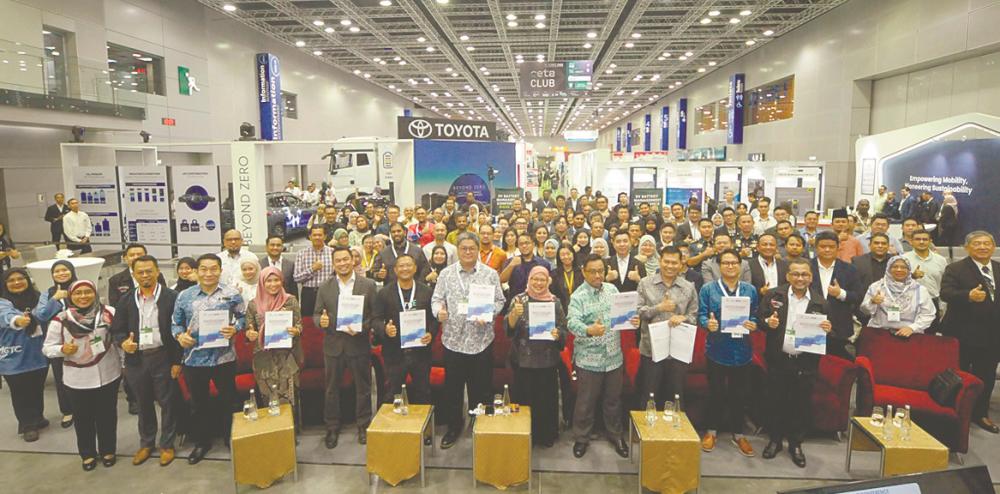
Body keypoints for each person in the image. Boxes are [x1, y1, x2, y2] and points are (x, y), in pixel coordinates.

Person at [431, 232, 505, 449]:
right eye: (463, 248)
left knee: (481, 388)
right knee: (453, 389)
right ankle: (454, 427)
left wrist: (489, 313)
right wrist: (439, 312)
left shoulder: (490, 274)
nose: (468, 252)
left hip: (480, 340)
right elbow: (436, 299)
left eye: (472, 248)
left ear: (477, 249)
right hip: (453, 340)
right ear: (458, 250)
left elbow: (500, 300)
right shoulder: (446, 274)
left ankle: (479, 425)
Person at [170, 253, 245, 464]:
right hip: (195, 360)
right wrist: (180, 336)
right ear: (197, 271)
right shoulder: (185, 296)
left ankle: (231, 439)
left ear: (220, 270)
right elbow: (175, 323)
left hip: (224, 358)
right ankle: (202, 442)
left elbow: (242, 317)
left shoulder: (232, 294)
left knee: (228, 401)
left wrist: (235, 328)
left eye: (213, 269)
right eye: (204, 269)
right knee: (199, 404)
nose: (209, 273)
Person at [759, 257, 831, 468]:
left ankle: (795, 444)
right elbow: (759, 318)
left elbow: (832, 332)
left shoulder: (820, 301)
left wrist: (828, 329)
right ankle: (774, 440)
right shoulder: (774, 295)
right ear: (788, 276)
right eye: (796, 274)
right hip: (778, 359)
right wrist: (767, 322)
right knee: (775, 401)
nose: (800, 278)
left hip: (805, 363)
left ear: (810, 277)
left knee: (800, 405)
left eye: (805, 275)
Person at [109, 255, 181, 467]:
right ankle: (147, 443)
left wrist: (177, 361)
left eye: (149, 270)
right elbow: (117, 329)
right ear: (134, 274)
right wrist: (123, 343)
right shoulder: (127, 299)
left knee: (168, 402)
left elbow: (179, 330)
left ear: (157, 271)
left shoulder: (172, 297)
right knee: (143, 403)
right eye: (140, 272)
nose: (145, 275)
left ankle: (167, 444)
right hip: (137, 359)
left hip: (163, 356)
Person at [42, 280, 120, 471]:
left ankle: (108, 450)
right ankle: (87, 454)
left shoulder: (109, 313)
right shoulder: (60, 319)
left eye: (87, 292)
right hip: (76, 379)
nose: (83, 296)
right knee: (83, 418)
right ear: (70, 296)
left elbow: (120, 338)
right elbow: (47, 348)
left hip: (107, 373)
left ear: (95, 293)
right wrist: (62, 349)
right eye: (78, 293)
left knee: (107, 415)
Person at [567, 254, 634, 459]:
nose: (597, 275)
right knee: (586, 401)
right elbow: (571, 323)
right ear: (584, 272)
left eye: (600, 271)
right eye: (593, 271)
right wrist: (589, 330)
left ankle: (616, 435)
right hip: (589, 359)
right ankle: (581, 438)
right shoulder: (578, 297)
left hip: (614, 357)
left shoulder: (612, 290)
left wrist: (633, 319)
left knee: (613, 400)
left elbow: (623, 316)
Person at [698, 249, 759, 457]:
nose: (730, 266)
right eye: (726, 263)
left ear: (740, 265)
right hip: (716, 348)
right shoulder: (708, 289)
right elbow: (701, 315)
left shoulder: (750, 290)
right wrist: (708, 323)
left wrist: (753, 324)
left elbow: (755, 315)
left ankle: (739, 434)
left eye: (734, 263)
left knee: (739, 395)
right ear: (719, 266)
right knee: (715, 393)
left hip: (742, 350)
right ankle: (711, 431)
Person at [314, 246, 377, 448]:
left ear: (353, 260)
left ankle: (363, 425)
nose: (342, 263)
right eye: (338, 260)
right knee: (331, 390)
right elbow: (316, 314)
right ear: (333, 264)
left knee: (363, 389)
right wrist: (320, 321)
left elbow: (375, 317)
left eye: (345, 259)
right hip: (333, 345)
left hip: (358, 344)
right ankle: (332, 427)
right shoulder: (324, 287)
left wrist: (362, 328)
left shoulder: (368, 285)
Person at [941, 231, 1000, 433]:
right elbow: (945, 294)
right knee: (960, 374)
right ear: (967, 247)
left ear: (993, 247)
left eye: (987, 243)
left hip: (992, 336)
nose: (983, 247)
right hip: (962, 333)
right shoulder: (955, 268)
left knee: (986, 376)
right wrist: (968, 296)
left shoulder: (998, 268)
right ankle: (956, 412)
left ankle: (980, 414)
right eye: (977, 244)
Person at [506, 266, 566, 447]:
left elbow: (564, 327)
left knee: (545, 401)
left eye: (542, 280)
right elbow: (508, 330)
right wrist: (513, 317)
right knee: (524, 400)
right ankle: (523, 434)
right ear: (529, 280)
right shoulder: (519, 300)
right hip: (523, 360)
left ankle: (545, 435)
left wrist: (558, 334)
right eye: (535, 279)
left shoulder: (554, 302)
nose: (538, 283)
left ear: (548, 281)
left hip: (547, 360)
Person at [636, 246, 698, 408]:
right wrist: (659, 308)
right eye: (666, 262)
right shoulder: (645, 283)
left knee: (675, 397)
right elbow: (638, 313)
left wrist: (683, 318)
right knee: (649, 396)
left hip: (678, 352)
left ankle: (674, 433)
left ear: (681, 263)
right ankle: (648, 432)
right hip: (651, 351)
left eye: (674, 263)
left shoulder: (688, 287)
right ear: (660, 261)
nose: (670, 266)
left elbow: (694, 316)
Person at [373, 255, 436, 406]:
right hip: (394, 352)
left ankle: (422, 428)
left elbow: (434, 319)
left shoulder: (427, 292)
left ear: (415, 268)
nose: (405, 269)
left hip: (420, 352)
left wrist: (431, 333)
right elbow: (375, 319)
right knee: (392, 394)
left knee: (423, 393)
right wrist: (385, 329)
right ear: (395, 270)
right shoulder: (384, 293)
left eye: (409, 265)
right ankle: (393, 428)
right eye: (401, 266)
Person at [244, 266, 302, 418]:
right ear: (262, 282)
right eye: (268, 280)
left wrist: (296, 331)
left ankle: (290, 432)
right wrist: (250, 334)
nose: (273, 284)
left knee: (289, 396)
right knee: (267, 397)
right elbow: (248, 329)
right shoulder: (253, 304)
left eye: (276, 280)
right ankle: (273, 433)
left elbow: (299, 325)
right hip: (263, 358)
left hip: (287, 357)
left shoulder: (290, 300)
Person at [0, 268, 49, 442]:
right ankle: (27, 425)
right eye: (11, 280)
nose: (17, 282)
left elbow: (45, 314)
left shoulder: (37, 297)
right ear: (5, 284)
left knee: (36, 388)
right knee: (20, 391)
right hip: (13, 356)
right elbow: (6, 316)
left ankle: (38, 417)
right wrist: (18, 320)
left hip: (38, 353)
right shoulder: (2, 302)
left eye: (21, 278)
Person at [35, 260, 76, 428]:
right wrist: (55, 299)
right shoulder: (48, 293)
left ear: (71, 271)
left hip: (82, 337)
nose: (61, 273)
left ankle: (84, 406)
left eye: (64, 270)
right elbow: (41, 315)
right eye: (57, 271)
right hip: (58, 341)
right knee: (61, 376)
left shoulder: (81, 286)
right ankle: (67, 410)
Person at [810, 231, 862, 361]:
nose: (827, 249)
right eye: (823, 246)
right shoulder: (806, 267)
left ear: (838, 247)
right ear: (816, 247)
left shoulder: (850, 269)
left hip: (838, 327)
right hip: (809, 324)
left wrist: (841, 294)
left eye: (831, 246)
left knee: (836, 368)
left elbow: (858, 296)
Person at [860, 256, 936, 337]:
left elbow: (928, 314)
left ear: (909, 270)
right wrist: (872, 302)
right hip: (879, 334)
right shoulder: (876, 287)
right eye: (895, 267)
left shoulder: (920, 290)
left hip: (910, 335)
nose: (899, 270)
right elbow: (865, 311)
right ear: (888, 269)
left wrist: (912, 328)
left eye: (903, 267)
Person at [903, 229, 946, 333]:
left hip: (933, 301)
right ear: (911, 241)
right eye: (918, 239)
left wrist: (942, 306)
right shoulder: (903, 259)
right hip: (909, 302)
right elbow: (896, 282)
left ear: (930, 241)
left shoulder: (940, 260)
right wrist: (912, 276)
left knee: (930, 337)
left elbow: (944, 284)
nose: (921, 242)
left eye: (925, 239)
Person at [293, 226, 335, 316]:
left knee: (328, 319)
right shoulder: (302, 253)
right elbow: (296, 278)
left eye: (320, 235)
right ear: (310, 237)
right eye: (314, 235)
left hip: (328, 292)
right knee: (308, 322)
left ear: (325, 237)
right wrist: (312, 269)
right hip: (309, 293)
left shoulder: (332, 253)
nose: (317, 237)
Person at [503, 234, 551, 300]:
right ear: (518, 246)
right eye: (521, 244)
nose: (524, 246)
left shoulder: (543, 263)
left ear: (533, 244)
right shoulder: (511, 261)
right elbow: (502, 280)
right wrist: (511, 265)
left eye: (527, 243)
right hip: (516, 301)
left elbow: (548, 283)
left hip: (537, 301)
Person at [552, 245, 583, 310]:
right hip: (561, 309)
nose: (566, 257)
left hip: (580, 307)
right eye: (562, 255)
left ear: (573, 254)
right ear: (559, 257)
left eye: (568, 254)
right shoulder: (554, 274)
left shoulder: (582, 272)